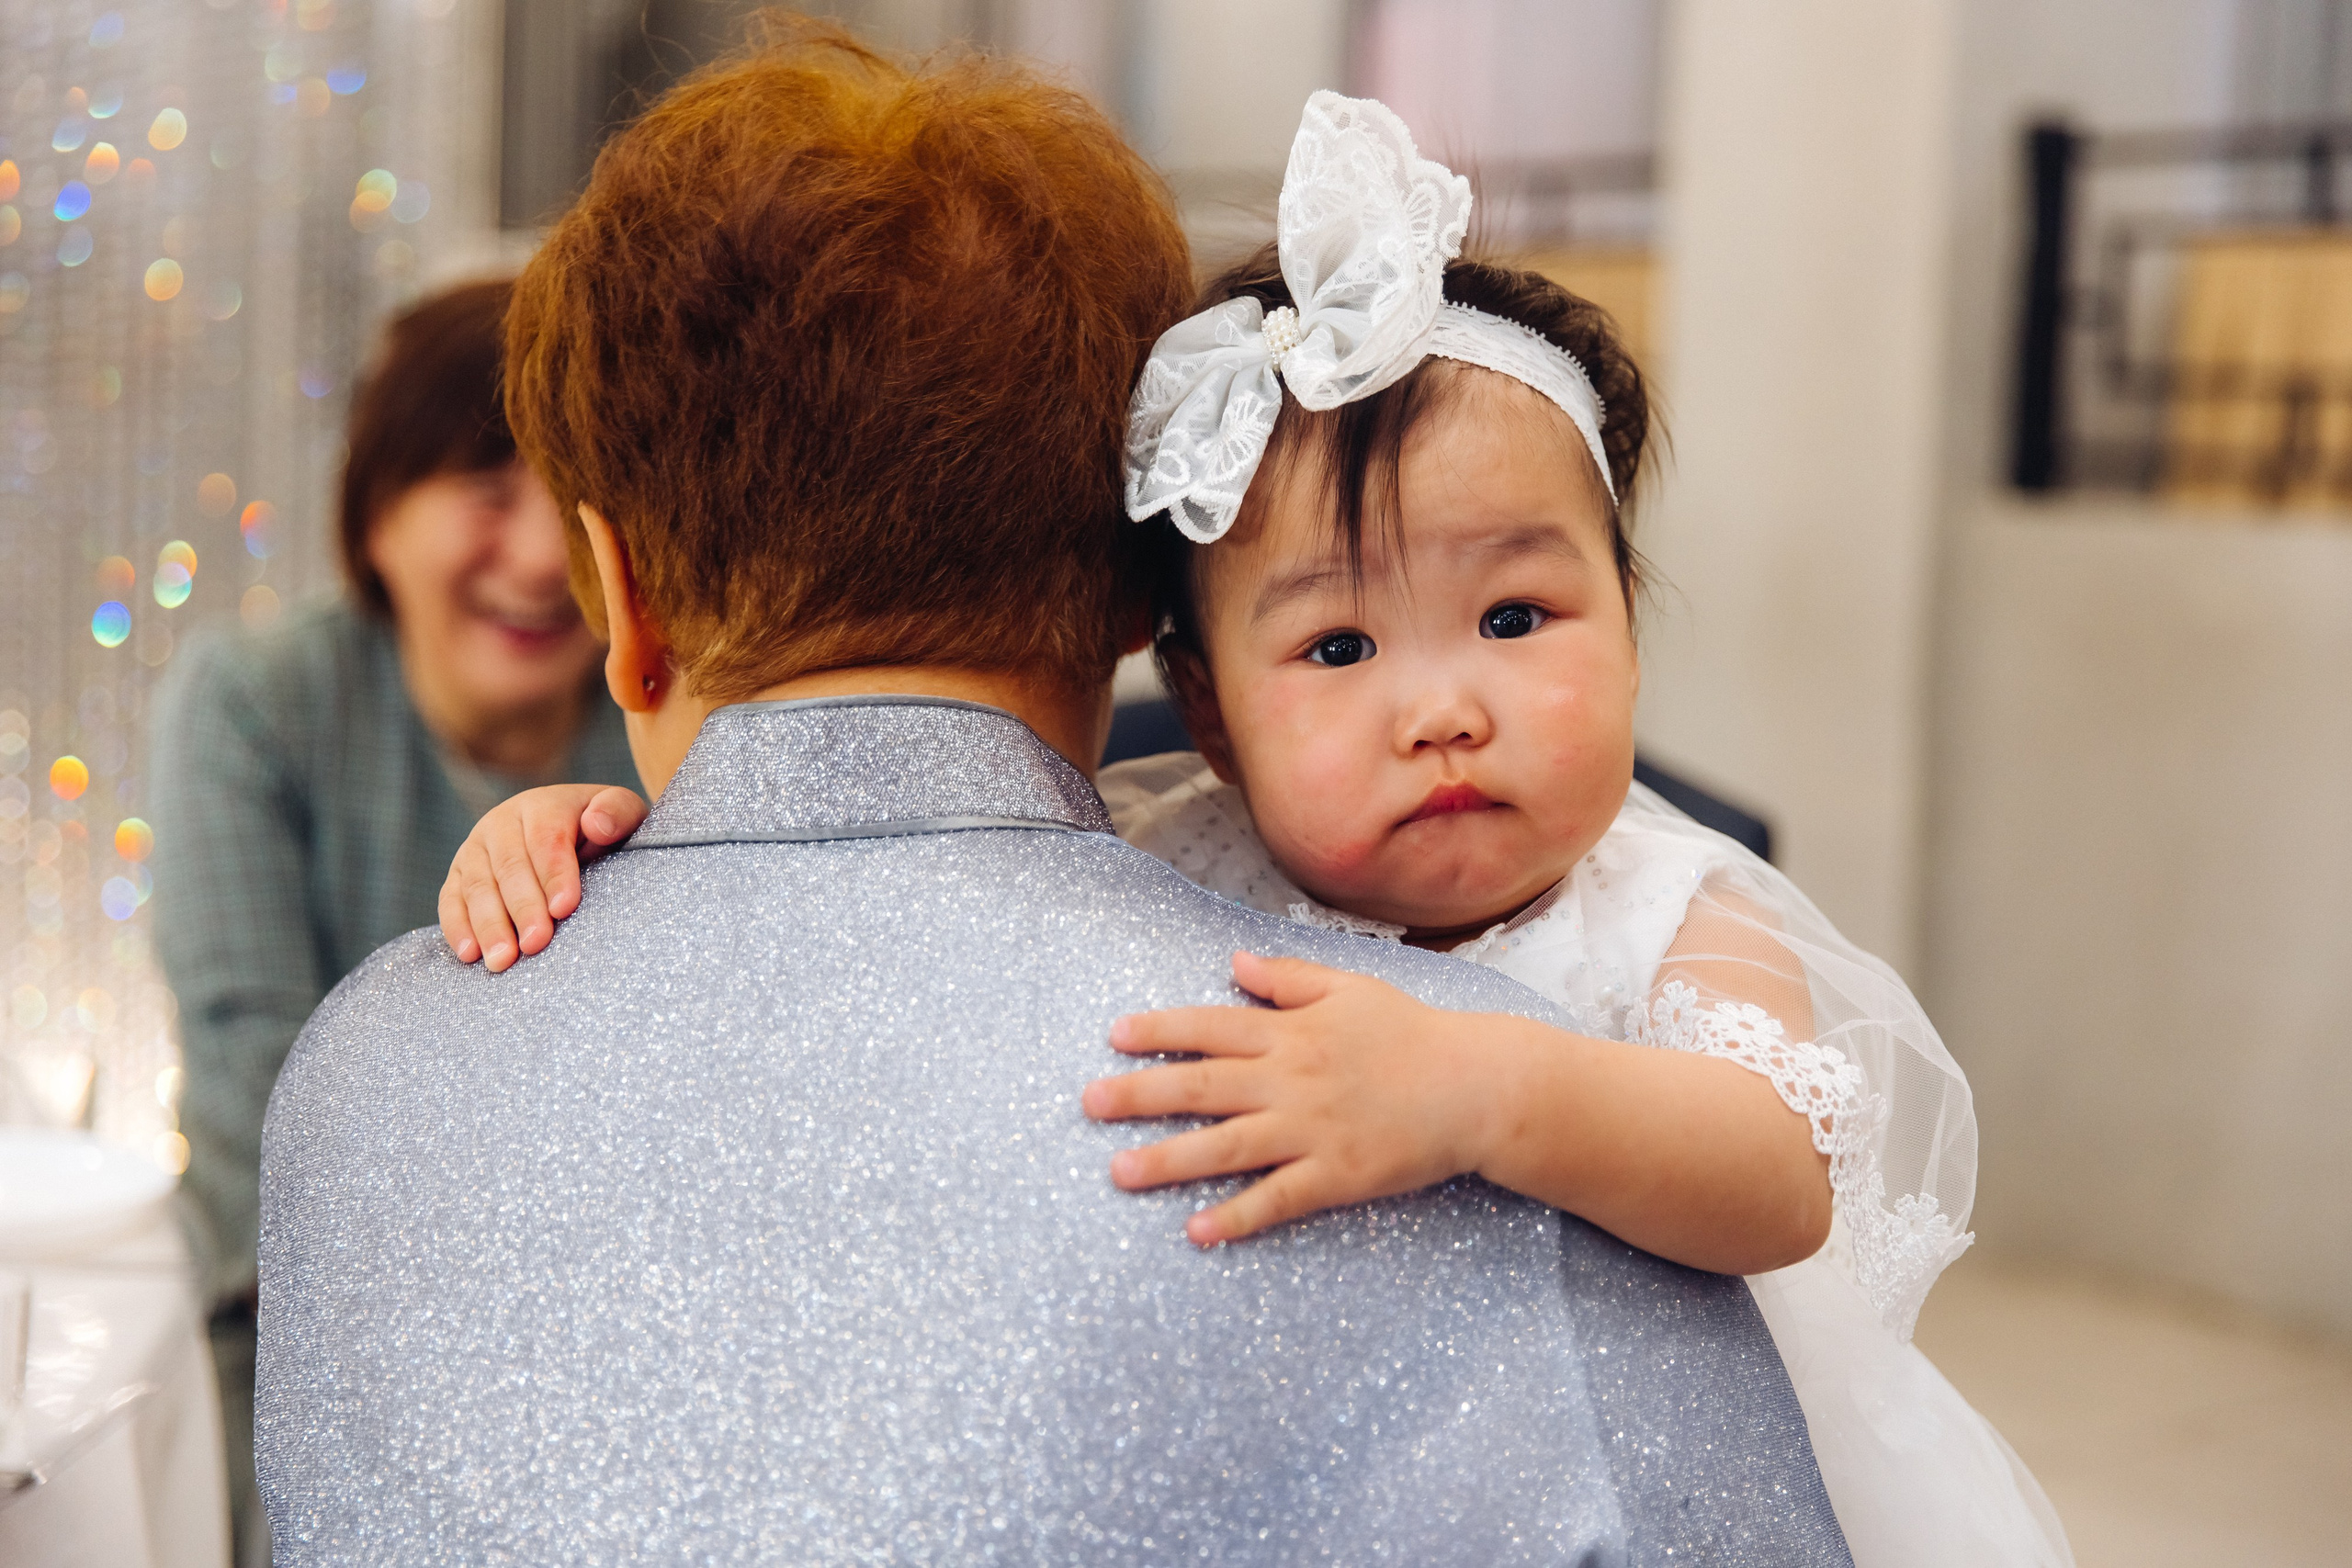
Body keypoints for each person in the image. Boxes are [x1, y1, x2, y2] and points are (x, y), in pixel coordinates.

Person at [254, 28, 1850, 1562]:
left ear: (624, 596)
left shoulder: (368, 1071)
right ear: (1134, 605)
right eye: (1343, 641)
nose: (1438, 710)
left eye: (1518, 619)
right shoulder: (1471, 1151)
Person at [148, 279, 637, 1565]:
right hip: (300, 1313)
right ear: (375, 516)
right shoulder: (258, 706)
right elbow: (249, 1077)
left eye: (570, 505)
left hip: (595, 1332)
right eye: (485, 487)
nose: (536, 558)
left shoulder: (664, 722)